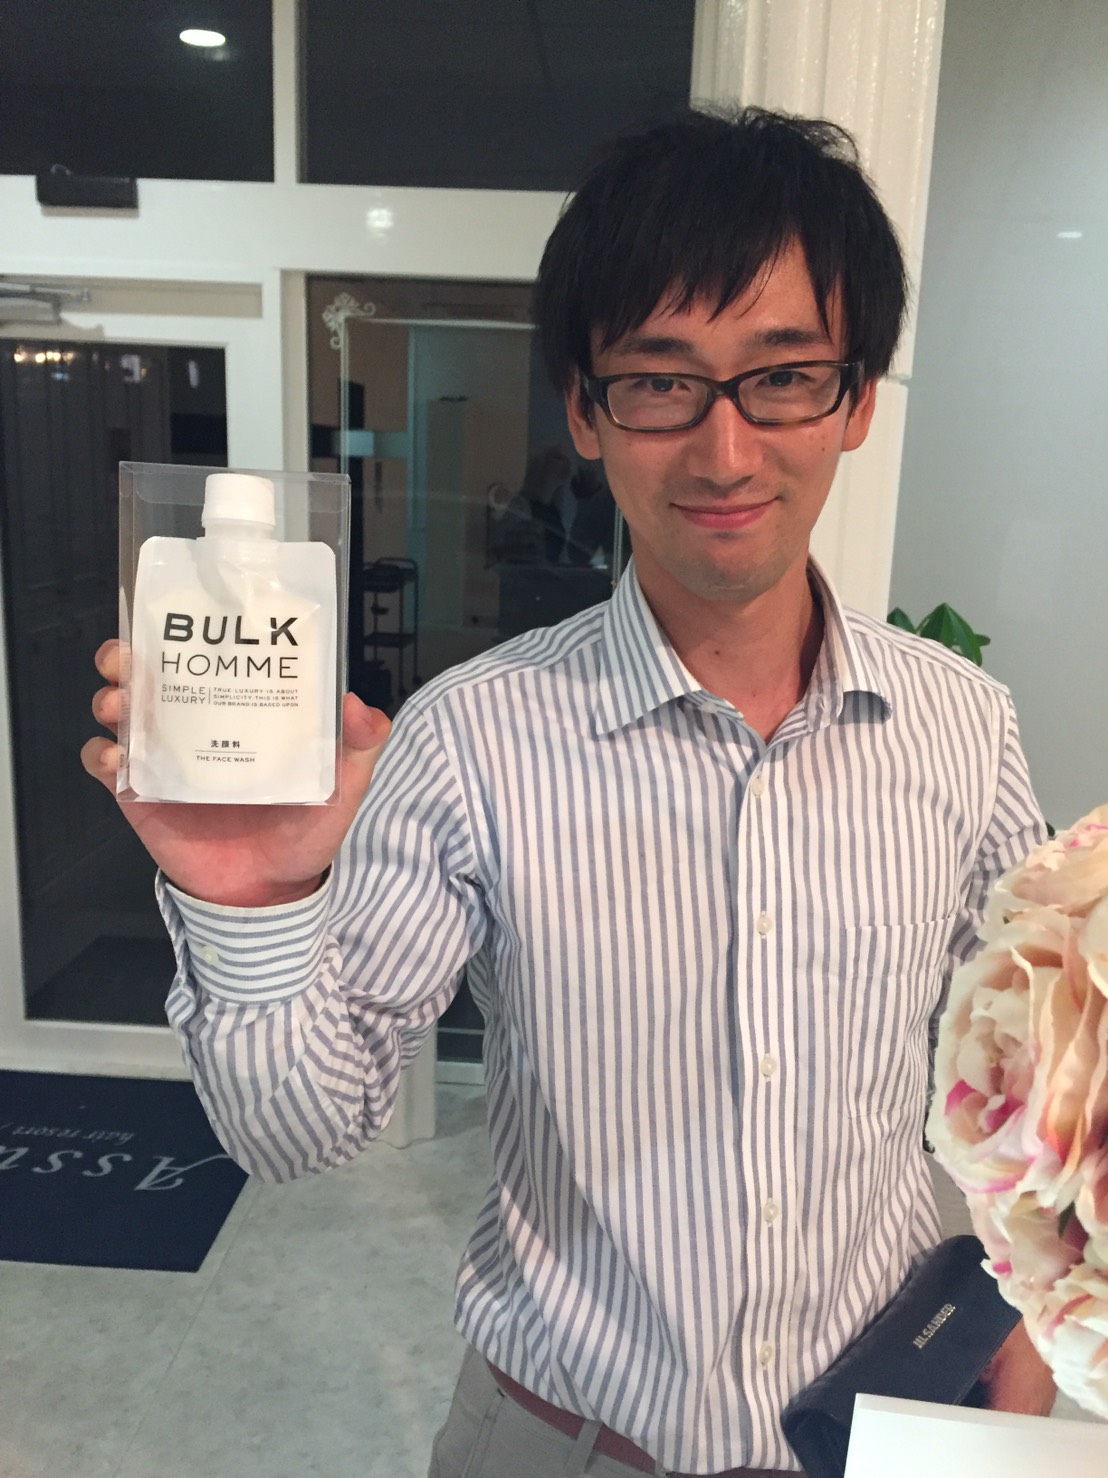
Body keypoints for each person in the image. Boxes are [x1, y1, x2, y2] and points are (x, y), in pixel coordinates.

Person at [83, 106, 1057, 1476]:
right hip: (562, 1440)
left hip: (875, 1425)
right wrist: (250, 900)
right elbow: (296, 1133)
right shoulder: (472, 737)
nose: (725, 451)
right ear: (586, 412)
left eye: (782, 377)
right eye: (661, 382)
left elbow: (1037, 1072)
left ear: (854, 400)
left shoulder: (962, 726)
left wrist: (1039, 1294)